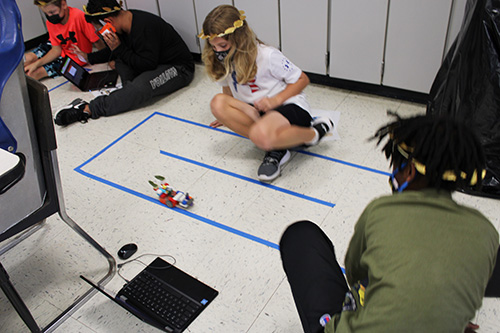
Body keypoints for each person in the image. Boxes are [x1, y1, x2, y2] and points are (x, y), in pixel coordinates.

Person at [280, 114, 499, 333]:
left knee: (301, 236)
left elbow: (356, 274)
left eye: (397, 165)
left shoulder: (381, 211)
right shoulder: (486, 231)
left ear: (410, 171)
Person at [199, 5, 334, 182]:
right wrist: (228, 115)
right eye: (213, 46)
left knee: (259, 135)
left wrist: (275, 100)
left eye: (222, 45)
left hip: (288, 105)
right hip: (258, 109)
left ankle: (313, 134)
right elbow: (227, 90)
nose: (218, 51)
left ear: (238, 39)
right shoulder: (223, 58)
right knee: (217, 103)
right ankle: (275, 144)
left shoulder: (267, 55)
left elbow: (302, 80)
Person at [54, 0, 194, 126]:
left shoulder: (144, 26)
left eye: (99, 28)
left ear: (108, 22)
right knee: (120, 62)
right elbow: (112, 50)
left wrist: (119, 49)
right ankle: (127, 95)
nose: (99, 32)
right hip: (152, 63)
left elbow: (146, 64)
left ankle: (88, 108)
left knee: (140, 88)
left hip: (178, 68)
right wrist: (88, 57)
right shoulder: (125, 22)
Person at [25, 0, 104, 81]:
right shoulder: (50, 22)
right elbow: (56, 50)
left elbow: (96, 41)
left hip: (75, 57)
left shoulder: (79, 16)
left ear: (63, 4)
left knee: (32, 74)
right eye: (46, 13)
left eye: (52, 12)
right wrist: (36, 64)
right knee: (26, 60)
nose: (49, 16)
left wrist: (106, 59)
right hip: (58, 48)